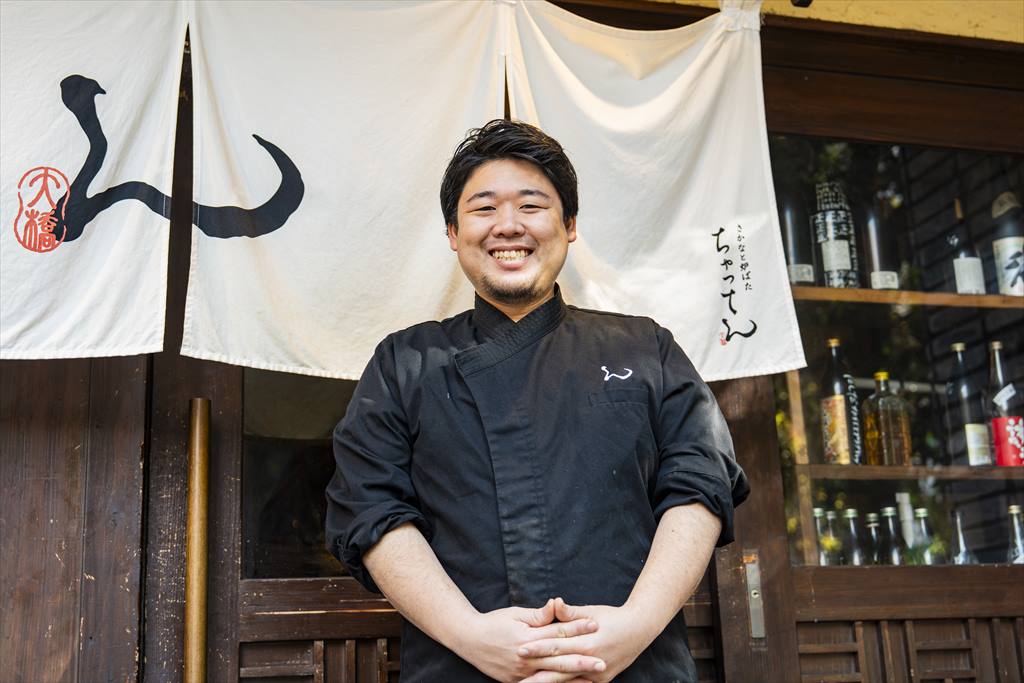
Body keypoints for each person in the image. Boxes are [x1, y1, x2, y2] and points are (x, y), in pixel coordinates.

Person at [325, 119, 749, 682]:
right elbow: (370, 508)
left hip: (635, 665)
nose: (508, 226)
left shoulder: (646, 348)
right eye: (483, 209)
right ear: (453, 232)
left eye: (531, 206)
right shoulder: (404, 363)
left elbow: (701, 484)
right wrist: (470, 635)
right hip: (461, 667)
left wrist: (634, 626)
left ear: (569, 226)